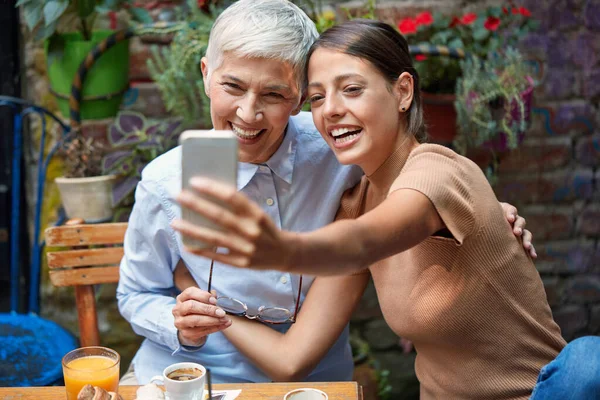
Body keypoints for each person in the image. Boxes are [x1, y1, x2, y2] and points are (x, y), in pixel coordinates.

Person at [172, 19, 600, 399]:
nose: (331, 110)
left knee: (588, 362)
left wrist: (279, 249)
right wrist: (210, 305)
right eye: (317, 98)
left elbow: (365, 241)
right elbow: (291, 358)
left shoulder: (438, 170)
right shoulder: (356, 206)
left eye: (352, 89)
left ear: (403, 91)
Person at [118, 0, 534, 385]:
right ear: (207, 75)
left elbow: (401, 189)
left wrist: (478, 210)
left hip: (314, 379)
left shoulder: (337, 147)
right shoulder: (165, 182)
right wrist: (178, 322)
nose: (248, 112)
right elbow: (135, 294)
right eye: (233, 87)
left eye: (274, 94)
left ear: (298, 96)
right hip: (190, 374)